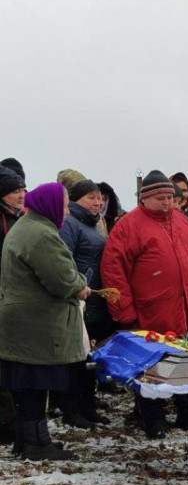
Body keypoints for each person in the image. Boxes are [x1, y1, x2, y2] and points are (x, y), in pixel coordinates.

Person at [101, 170, 188, 438]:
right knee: (152, 370)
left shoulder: (186, 224)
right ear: (145, 199)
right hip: (150, 314)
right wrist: (125, 312)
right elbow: (113, 271)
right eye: (161, 198)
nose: (167, 202)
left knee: (186, 364)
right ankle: (152, 418)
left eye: (170, 197)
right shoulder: (128, 226)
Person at [0, 182, 90, 460]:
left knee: (29, 386)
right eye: (63, 205)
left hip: (24, 322)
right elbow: (63, 279)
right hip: (36, 324)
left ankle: (27, 440)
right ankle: (37, 445)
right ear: (50, 205)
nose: (65, 211)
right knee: (35, 386)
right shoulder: (41, 235)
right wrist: (82, 285)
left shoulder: (27, 227)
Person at [56, 179, 116, 428]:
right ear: (76, 199)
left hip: (95, 301)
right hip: (79, 301)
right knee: (76, 361)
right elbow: (64, 259)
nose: (98, 202)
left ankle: (87, 406)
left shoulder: (93, 225)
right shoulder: (70, 224)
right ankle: (72, 411)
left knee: (89, 359)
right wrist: (80, 286)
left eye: (100, 198)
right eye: (92, 197)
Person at [0, 166, 26, 445]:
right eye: (14, 191)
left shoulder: (19, 218)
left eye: (22, 190)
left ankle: (9, 423)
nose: (20, 195)